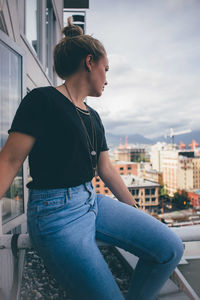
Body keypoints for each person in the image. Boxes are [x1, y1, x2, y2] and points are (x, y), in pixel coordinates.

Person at [0, 18, 184, 300]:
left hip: (92, 201)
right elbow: (10, 160)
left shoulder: (93, 116)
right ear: (90, 62)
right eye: (105, 69)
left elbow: (105, 169)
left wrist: (135, 212)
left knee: (169, 248)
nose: (107, 78)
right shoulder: (42, 100)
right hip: (55, 214)